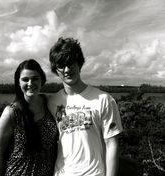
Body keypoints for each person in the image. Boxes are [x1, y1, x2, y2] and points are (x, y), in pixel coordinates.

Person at [48, 37, 123, 176]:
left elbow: (112, 144)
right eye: (61, 65)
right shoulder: (52, 102)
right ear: (55, 70)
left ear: (80, 64)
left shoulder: (104, 100)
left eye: (71, 63)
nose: (67, 69)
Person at [0, 59, 59, 176]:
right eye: (25, 79)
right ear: (18, 82)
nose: (30, 83)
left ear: (42, 80)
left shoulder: (50, 104)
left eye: (35, 79)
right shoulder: (12, 113)